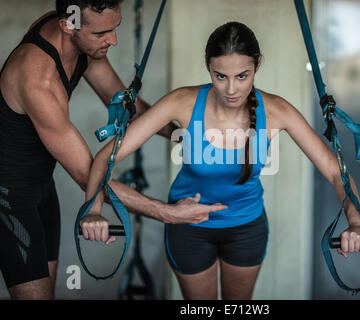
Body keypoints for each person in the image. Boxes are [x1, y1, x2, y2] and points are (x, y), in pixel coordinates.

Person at [82, 21, 360, 300]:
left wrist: (356, 220)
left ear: (257, 64)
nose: (231, 89)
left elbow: (336, 173)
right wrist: (94, 209)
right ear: (208, 66)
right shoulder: (182, 102)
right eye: (221, 76)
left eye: (242, 76)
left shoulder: (277, 110)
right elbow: (108, 155)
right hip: (188, 228)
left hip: (246, 228)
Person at [0, 0, 225, 300]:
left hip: (42, 186)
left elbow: (123, 105)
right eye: (103, 33)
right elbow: (88, 177)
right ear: (69, 25)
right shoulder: (37, 80)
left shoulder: (78, 35)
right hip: (9, 197)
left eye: (115, 28)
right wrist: (169, 213)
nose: (113, 40)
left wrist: (181, 135)